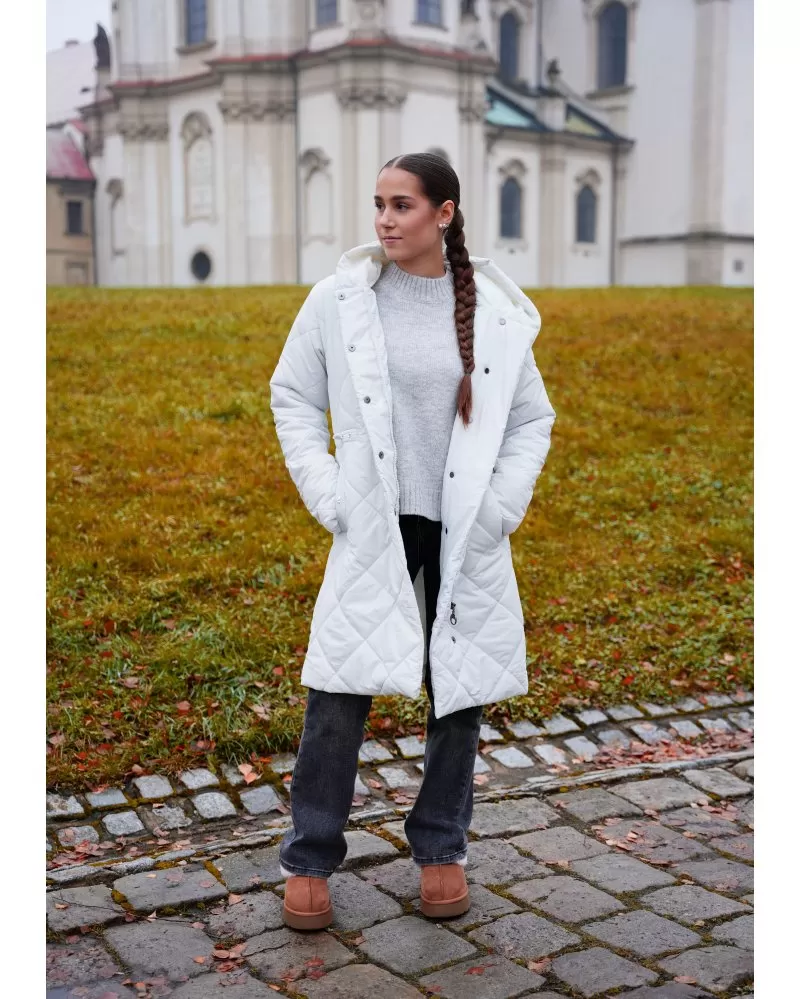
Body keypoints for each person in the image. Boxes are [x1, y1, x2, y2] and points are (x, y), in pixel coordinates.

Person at [269, 151, 556, 931]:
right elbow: (292, 395)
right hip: (373, 520)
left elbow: (532, 417)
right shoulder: (340, 300)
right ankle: (310, 856)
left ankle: (440, 847)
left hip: (462, 526)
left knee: (457, 693)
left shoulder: (494, 312)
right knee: (338, 691)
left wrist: (500, 507)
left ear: (444, 213)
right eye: (380, 204)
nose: (385, 219)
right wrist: (330, 494)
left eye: (402, 205)